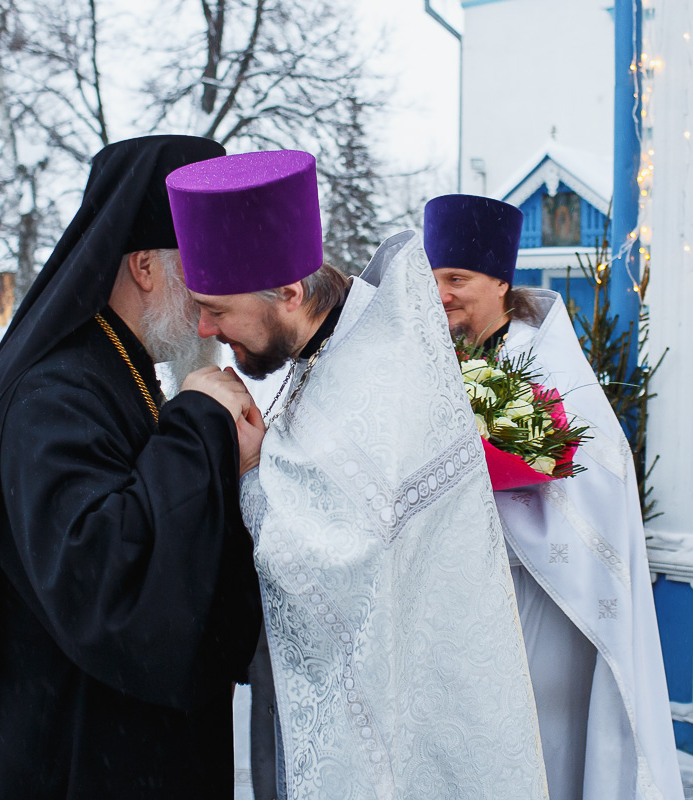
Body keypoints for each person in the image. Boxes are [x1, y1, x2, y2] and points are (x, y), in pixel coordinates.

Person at [0, 135, 264, 799]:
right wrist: (201, 433)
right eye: (203, 273)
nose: (209, 311)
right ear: (145, 267)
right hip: (57, 755)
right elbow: (103, 579)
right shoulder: (54, 393)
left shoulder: (120, 371)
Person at [166, 151, 549, 799]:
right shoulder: (336, 347)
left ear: (288, 293)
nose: (204, 328)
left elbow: (336, 567)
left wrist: (252, 471)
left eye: (217, 310)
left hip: (403, 731)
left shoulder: (377, 375)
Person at [424, 193, 684, 800]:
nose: (442, 295)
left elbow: (596, 475)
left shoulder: (546, 365)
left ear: (501, 281)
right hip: (462, 602)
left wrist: (484, 472)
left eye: (456, 278)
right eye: (433, 280)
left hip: (543, 597)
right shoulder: (441, 361)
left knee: (541, 753)